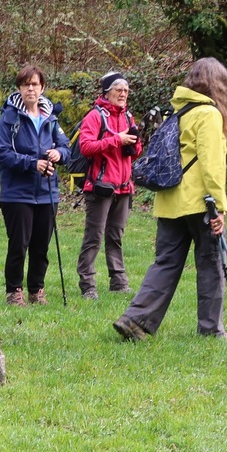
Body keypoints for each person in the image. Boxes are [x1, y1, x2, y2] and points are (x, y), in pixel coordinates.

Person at [113, 58, 227, 341]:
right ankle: (211, 329)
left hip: (169, 200)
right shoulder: (208, 114)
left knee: (165, 263)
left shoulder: (178, 112)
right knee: (211, 264)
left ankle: (135, 320)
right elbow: (212, 166)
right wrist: (219, 208)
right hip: (200, 203)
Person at [0, 65, 71, 306]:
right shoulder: (9, 118)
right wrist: (32, 164)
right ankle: (14, 291)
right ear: (19, 88)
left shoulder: (51, 118)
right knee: (19, 245)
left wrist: (58, 154)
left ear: (42, 88)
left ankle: (37, 290)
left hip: (47, 192)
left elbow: (67, 148)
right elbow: (2, 153)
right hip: (16, 193)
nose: (30, 89)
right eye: (26, 84)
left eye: (35, 84)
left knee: (41, 246)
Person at [76, 72, 142, 300]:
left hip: (124, 187)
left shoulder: (128, 117)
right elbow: (86, 147)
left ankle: (119, 282)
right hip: (100, 187)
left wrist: (134, 144)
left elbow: (134, 153)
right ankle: (88, 285)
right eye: (118, 90)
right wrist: (117, 140)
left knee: (116, 236)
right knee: (94, 237)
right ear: (107, 92)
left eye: (126, 91)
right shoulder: (95, 116)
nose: (123, 94)